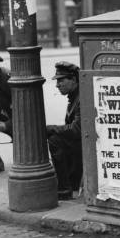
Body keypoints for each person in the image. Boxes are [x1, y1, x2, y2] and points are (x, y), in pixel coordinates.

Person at [47, 61, 82, 200]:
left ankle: (64, 189)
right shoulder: (75, 95)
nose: (57, 85)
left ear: (73, 79)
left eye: (61, 80)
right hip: (82, 143)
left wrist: (51, 129)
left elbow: (76, 129)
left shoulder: (81, 97)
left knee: (55, 140)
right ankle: (70, 184)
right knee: (58, 137)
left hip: (88, 145)